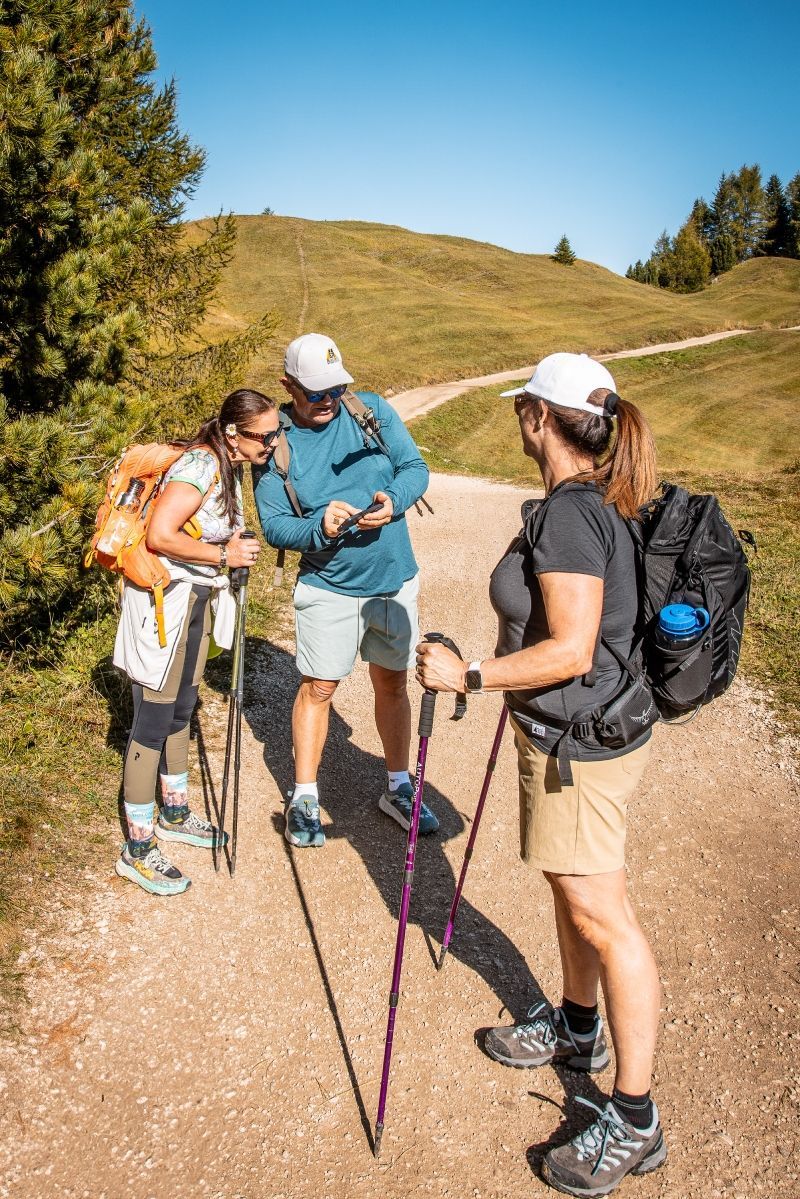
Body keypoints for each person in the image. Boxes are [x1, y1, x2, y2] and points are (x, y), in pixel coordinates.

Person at [416, 353, 667, 1197]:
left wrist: (471, 675)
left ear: (538, 419)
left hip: (578, 749)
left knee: (604, 915)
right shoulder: (599, 497)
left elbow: (571, 647)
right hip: (575, 734)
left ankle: (635, 1118)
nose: (517, 419)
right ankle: (576, 1025)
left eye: (521, 406)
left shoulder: (569, 517)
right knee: (573, 896)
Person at [254, 332, 432, 849]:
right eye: (315, 392)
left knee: (393, 683)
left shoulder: (369, 410)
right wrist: (320, 529)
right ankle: (305, 796)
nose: (328, 400)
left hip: (392, 577)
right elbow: (275, 526)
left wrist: (392, 501)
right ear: (287, 386)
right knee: (319, 688)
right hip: (328, 585)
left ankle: (399, 787)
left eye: (336, 388)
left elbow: (414, 469)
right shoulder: (276, 441)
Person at [113, 389, 279, 895]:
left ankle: (175, 813)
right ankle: (137, 849)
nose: (272, 444)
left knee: (184, 705)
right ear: (234, 433)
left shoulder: (229, 466)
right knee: (155, 716)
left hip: (193, 600)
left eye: (276, 434)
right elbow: (160, 535)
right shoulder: (200, 467)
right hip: (167, 604)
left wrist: (224, 554)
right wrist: (223, 555)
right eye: (264, 436)